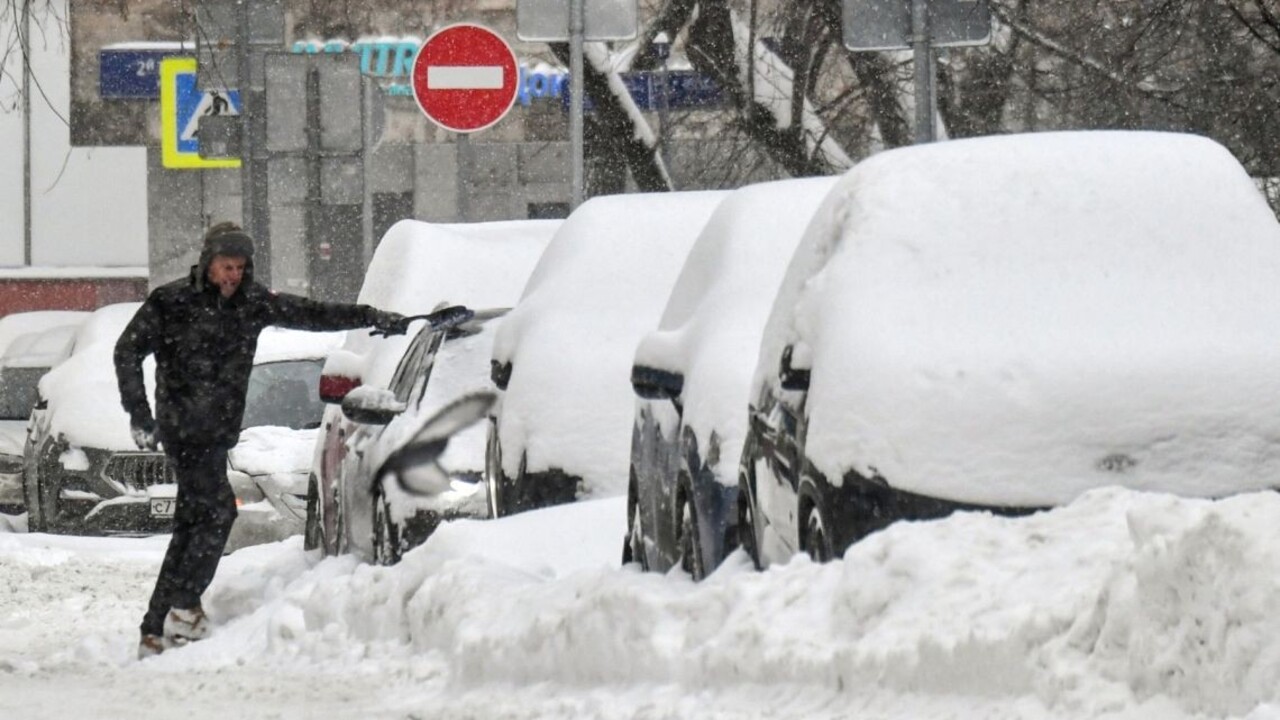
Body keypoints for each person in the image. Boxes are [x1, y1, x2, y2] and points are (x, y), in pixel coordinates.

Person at [115, 222, 407, 659]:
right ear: (208, 262)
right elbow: (127, 350)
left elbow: (311, 313)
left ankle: (156, 626)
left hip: (217, 432)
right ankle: (184, 605)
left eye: (239, 267)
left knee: (192, 524)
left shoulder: (253, 303)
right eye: (225, 266)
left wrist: (371, 317)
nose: (232, 275)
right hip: (183, 428)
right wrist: (140, 413)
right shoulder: (172, 302)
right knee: (216, 513)